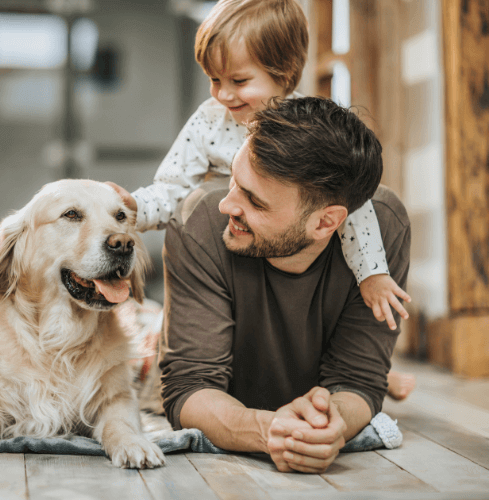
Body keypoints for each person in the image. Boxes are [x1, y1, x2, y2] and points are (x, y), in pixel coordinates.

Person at [108, 0, 414, 399]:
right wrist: (132, 209)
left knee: (323, 319)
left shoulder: (309, 131)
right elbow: (172, 186)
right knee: (165, 328)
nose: (222, 95)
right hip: (237, 258)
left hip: (290, 250)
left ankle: (372, 371)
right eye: (213, 80)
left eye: (237, 81)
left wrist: (372, 273)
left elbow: (351, 205)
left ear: (283, 74)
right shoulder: (209, 121)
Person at [159, 96, 411, 473]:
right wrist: (268, 429)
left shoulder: (385, 229)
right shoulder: (201, 223)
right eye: (234, 179)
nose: (227, 205)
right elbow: (188, 387)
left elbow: (357, 381)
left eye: (254, 202)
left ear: (326, 223)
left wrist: (332, 424)